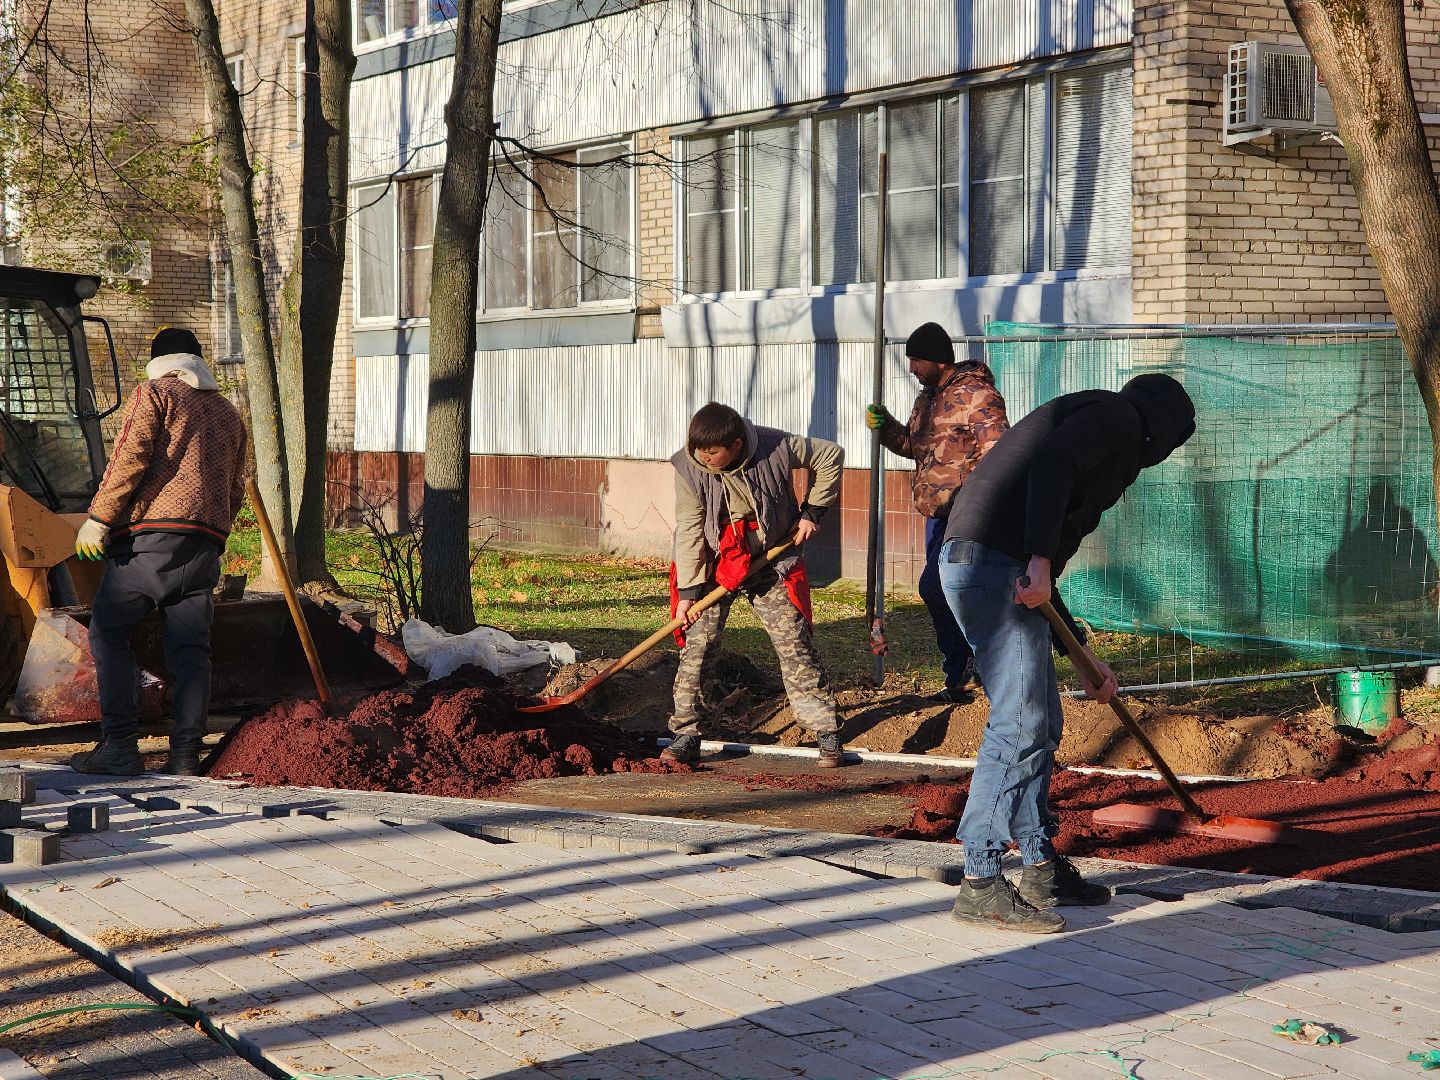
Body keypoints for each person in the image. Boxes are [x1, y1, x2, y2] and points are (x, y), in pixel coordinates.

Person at [940, 373, 1196, 932]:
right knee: (1020, 722)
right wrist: (1036, 555)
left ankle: (1038, 865)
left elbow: (1043, 579)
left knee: (1043, 720)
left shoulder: (1094, 420)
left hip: (985, 562)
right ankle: (980, 880)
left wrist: (1085, 658)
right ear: (1164, 432)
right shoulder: (1119, 420)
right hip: (991, 564)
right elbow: (1052, 469)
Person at [70, 327, 249, 777]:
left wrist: (99, 519)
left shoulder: (155, 393)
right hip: (204, 545)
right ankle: (186, 755)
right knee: (191, 649)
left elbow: (130, 457)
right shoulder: (229, 413)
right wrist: (216, 535)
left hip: (151, 540)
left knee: (108, 632)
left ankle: (120, 747)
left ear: (159, 362)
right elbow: (234, 489)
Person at [662, 402, 848, 767]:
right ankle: (686, 733)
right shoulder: (687, 467)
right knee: (698, 647)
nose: (703, 458)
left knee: (794, 643)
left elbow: (830, 455)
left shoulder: (776, 446)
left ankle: (826, 730)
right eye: (698, 450)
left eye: (711, 452)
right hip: (716, 564)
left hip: (771, 558)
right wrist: (687, 593)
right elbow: (689, 528)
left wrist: (813, 512)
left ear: (735, 444)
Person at [866, 322, 1008, 702]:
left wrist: (979, 501)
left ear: (936, 359)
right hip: (936, 516)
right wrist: (886, 429)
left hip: (968, 515)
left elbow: (1000, 453)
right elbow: (914, 448)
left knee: (940, 587)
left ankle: (979, 665)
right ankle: (961, 672)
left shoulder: (977, 396)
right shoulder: (926, 399)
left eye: (915, 360)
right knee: (941, 591)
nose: (911, 368)